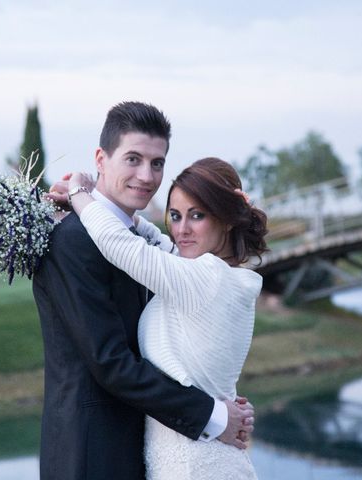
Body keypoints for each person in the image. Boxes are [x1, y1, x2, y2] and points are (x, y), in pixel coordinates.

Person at [33, 102, 254, 480]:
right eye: (133, 159)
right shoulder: (73, 239)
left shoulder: (142, 243)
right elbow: (110, 362)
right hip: (92, 454)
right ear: (101, 159)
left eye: (157, 163)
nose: (146, 175)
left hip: (151, 445)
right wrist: (215, 415)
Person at [65, 156, 268, 479]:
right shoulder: (216, 273)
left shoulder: (206, 278)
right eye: (175, 216)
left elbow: (126, 248)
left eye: (197, 216)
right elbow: (156, 242)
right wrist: (109, 206)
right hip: (195, 458)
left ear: (227, 219)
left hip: (197, 467)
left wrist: (79, 192)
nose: (181, 229)